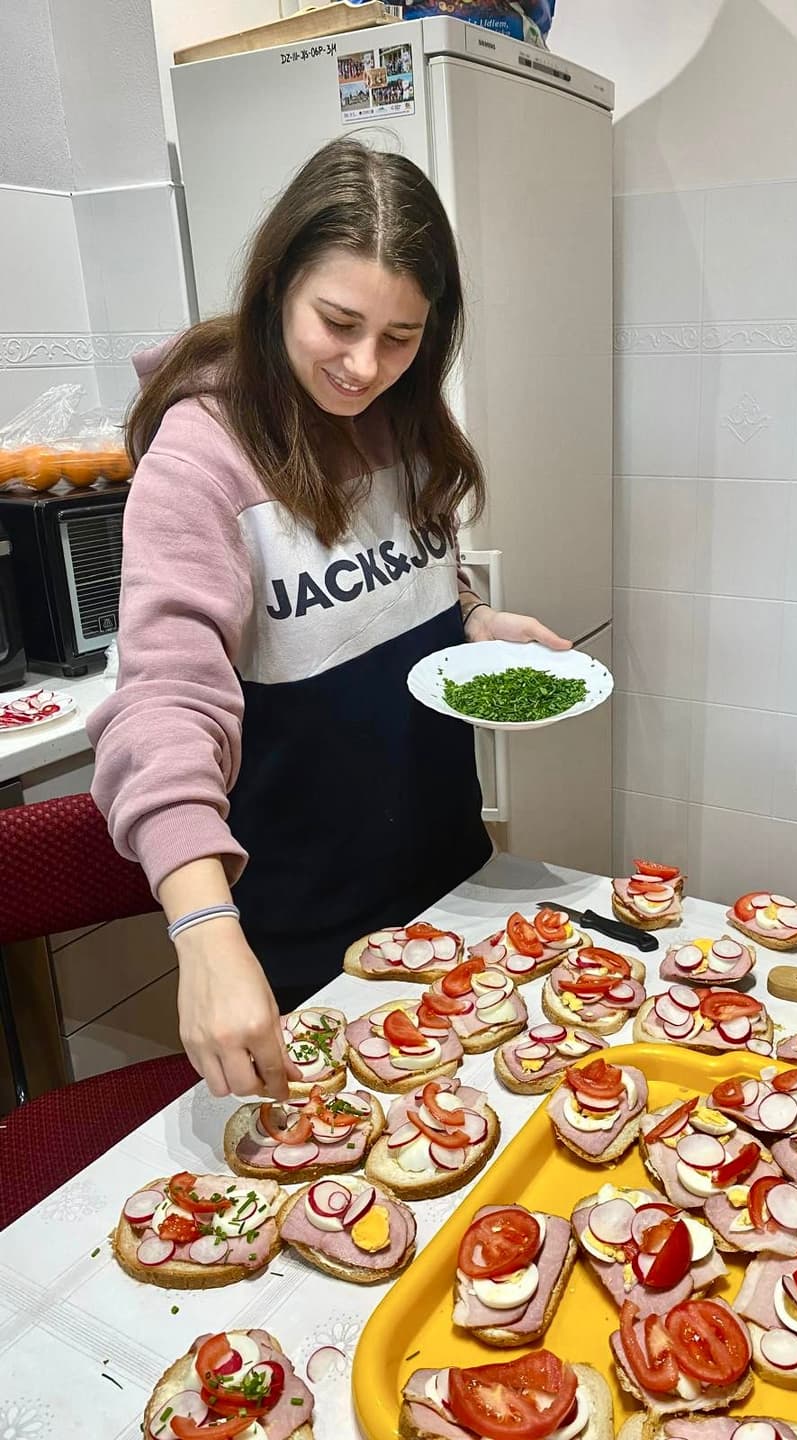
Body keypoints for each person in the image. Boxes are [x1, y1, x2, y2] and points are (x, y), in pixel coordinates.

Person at [89, 137, 569, 1103]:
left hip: (447, 869)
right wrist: (201, 930)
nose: (364, 366)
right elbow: (163, 701)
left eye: (401, 338)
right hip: (305, 922)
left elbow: (408, 570)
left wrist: (471, 620)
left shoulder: (402, 418)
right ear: (276, 289)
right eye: (338, 323)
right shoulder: (203, 457)